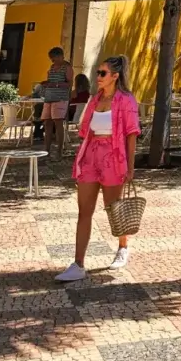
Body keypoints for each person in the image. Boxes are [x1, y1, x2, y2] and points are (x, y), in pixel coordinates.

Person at [55, 55, 140, 282]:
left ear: (115, 76)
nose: (98, 77)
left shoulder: (126, 100)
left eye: (102, 73)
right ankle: (78, 263)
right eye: (98, 73)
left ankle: (122, 247)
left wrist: (130, 168)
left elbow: (132, 135)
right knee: (84, 211)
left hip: (114, 159)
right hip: (91, 157)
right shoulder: (95, 99)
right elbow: (85, 131)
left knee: (114, 210)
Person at [42, 46, 73, 160]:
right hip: (49, 97)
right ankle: (46, 150)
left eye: (54, 58)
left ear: (60, 56)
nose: (52, 61)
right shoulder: (52, 67)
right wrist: (47, 83)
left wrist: (55, 85)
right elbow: (52, 80)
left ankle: (59, 151)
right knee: (47, 123)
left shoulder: (67, 67)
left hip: (60, 98)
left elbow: (69, 84)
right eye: (51, 59)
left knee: (58, 123)